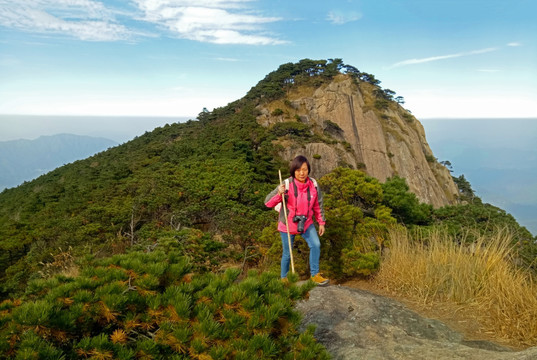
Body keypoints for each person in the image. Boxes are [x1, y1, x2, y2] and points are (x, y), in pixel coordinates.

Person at [265, 155, 329, 285]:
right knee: (287, 253)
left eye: (304, 169)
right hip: (288, 224)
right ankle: (284, 278)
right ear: (293, 170)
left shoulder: (313, 185)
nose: (301, 173)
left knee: (316, 245)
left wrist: (321, 223)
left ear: (308, 170)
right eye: (298, 170)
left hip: (306, 222)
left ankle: (315, 275)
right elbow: (267, 203)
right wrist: (279, 194)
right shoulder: (286, 184)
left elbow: (318, 205)